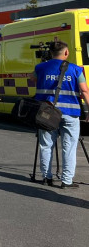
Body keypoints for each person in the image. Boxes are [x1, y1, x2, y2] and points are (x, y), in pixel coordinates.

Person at [31, 41, 89, 189]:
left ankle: (46, 177)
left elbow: (33, 80)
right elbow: (84, 91)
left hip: (47, 112)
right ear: (66, 52)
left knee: (46, 145)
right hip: (70, 113)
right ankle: (66, 181)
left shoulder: (40, 68)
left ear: (50, 53)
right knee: (69, 147)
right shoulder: (76, 70)